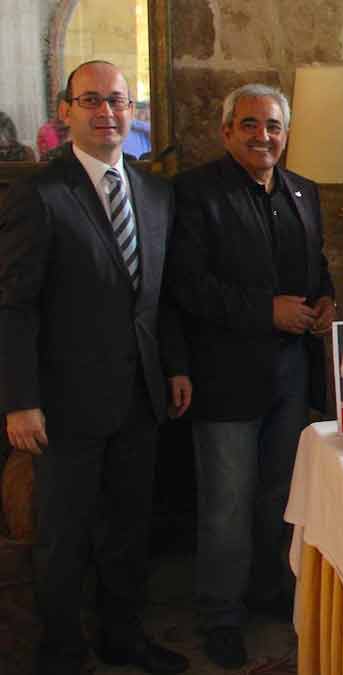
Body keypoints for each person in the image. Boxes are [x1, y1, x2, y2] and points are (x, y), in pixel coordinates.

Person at [0, 60, 189, 674]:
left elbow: (161, 296)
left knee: (129, 532)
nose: (106, 113)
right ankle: (59, 654)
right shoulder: (39, 192)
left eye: (117, 101)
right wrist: (19, 400)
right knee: (63, 538)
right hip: (63, 403)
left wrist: (176, 368)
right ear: (66, 111)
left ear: (132, 111)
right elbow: (15, 306)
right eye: (91, 101)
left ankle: (122, 640)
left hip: (140, 395)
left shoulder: (156, 192)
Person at [164, 83, 336, 668]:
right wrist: (267, 310)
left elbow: (316, 266)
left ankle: (269, 592)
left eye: (273, 126)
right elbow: (187, 286)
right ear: (226, 130)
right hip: (225, 376)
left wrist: (327, 299)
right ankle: (220, 614)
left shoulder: (301, 191)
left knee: (279, 495)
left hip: (289, 374)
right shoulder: (193, 193)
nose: (263, 136)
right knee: (225, 504)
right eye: (250, 125)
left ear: (286, 134)